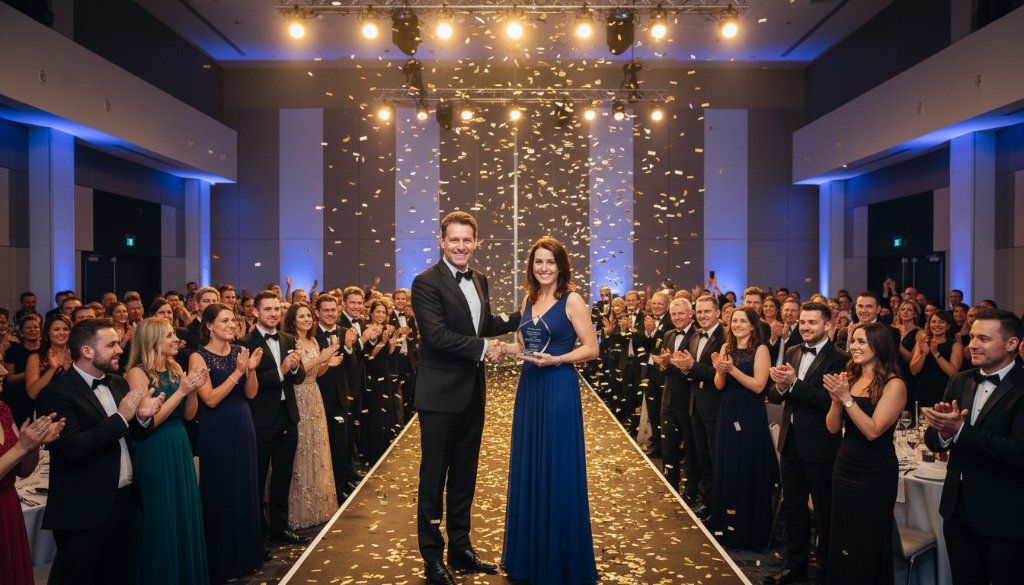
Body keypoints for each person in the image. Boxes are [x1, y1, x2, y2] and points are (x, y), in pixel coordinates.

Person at [412, 211, 520, 585]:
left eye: (467, 240)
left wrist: (526, 315)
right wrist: (486, 347)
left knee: (464, 477)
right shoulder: (424, 282)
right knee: (433, 479)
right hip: (439, 397)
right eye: (454, 240)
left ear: (476, 242)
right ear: (442, 242)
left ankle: (460, 547)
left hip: (472, 394)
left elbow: (483, 324)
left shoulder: (480, 279)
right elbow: (437, 336)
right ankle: (432, 558)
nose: (461, 246)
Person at [499, 236, 599, 585]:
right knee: (531, 463)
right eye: (538, 262)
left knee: (557, 465)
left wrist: (557, 359)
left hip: (558, 387)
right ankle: (529, 555)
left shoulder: (572, 301)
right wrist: (508, 349)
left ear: (561, 267)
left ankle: (559, 559)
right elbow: (527, 345)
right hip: (530, 386)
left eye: (550, 262)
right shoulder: (529, 299)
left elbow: (591, 348)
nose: (543, 268)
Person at [35, 317, 164, 585]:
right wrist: (121, 417)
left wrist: (142, 417)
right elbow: (72, 448)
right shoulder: (57, 393)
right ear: (87, 351)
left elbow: (136, 435)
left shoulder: (117, 383)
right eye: (112, 344)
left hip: (125, 504)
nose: (120, 349)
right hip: (84, 511)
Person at [923, 310, 1024, 585]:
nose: (972, 344)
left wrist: (959, 431)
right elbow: (935, 440)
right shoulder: (960, 379)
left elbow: (1018, 452)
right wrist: (943, 432)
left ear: (1011, 344)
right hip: (957, 510)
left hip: (1003, 515)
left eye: (983, 338)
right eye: (971, 337)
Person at [764, 302, 848, 585]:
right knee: (795, 511)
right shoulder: (791, 351)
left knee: (825, 514)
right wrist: (780, 385)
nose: (806, 327)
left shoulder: (840, 358)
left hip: (822, 445)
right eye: (802, 322)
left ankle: (825, 573)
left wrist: (794, 384)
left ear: (828, 325)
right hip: (791, 442)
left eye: (812, 322)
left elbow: (829, 400)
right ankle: (795, 567)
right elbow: (776, 396)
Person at [124, 318, 210, 585]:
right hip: (153, 448)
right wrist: (182, 390)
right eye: (170, 335)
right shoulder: (137, 373)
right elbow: (147, 424)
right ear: (153, 340)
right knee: (161, 514)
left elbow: (188, 415)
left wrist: (192, 391)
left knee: (183, 510)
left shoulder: (174, 367)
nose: (176, 339)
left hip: (178, 442)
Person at [823, 322, 906, 585]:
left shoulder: (894, 385)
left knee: (866, 537)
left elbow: (873, 431)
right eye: (853, 341)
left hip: (874, 472)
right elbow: (833, 427)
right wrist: (836, 402)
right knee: (842, 534)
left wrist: (846, 398)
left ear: (878, 346)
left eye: (861, 342)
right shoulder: (852, 377)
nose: (854, 347)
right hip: (845, 463)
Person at [190, 303, 264, 583]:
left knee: (244, 488)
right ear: (209, 325)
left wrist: (251, 370)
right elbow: (209, 399)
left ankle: (246, 557)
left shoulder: (239, 352)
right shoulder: (198, 358)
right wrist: (236, 373)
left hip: (242, 424)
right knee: (221, 491)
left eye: (234, 320)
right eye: (225, 321)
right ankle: (223, 563)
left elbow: (251, 394)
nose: (232, 325)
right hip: (217, 429)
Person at [239, 291, 310, 546]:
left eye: (276, 309)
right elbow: (249, 385)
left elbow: (299, 377)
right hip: (260, 417)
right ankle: (257, 534)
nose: (273, 314)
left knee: (283, 476)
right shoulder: (245, 342)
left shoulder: (288, 338)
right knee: (258, 478)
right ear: (255, 312)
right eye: (267, 309)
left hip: (287, 415)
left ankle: (280, 528)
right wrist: (281, 370)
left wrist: (294, 367)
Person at [709, 306, 772, 551]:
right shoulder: (726, 348)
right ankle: (726, 526)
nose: (737, 325)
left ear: (753, 325)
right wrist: (720, 370)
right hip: (728, 408)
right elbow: (718, 385)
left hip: (750, 410)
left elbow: (759, 386)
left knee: (747, 465)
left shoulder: (761, 349)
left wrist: (732, 369)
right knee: (729, 464)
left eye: (742, 321)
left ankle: (748, 532)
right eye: (734, 321)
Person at [281, 301, 340, 529]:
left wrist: (328, 362)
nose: (306, 319)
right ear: (293, 320)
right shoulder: (291, 341)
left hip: (314, 395)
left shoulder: (313, 340)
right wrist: (322, 356)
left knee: (318, 447)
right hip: (298, 395)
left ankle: (319, 507)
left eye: (308, 316)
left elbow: (317, 372)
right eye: (302, 316)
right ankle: (299, 512)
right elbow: (299, 372)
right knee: (302, 449)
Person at [0, 390, 63, 585]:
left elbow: (23, 471)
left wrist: (35, 444)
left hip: (9, 509)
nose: (3, 371)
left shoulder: (2, 410)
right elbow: (18, 450)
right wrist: (21, 447)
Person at [681, 295, 725, 520]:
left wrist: (693, 366)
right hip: (696, 404)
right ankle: (706, 501)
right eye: (699, 312)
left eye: (707, 311)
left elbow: (720, 374)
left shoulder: (726, 337)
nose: (702, 315)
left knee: (715, 457)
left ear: (717, 313)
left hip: (716, 405)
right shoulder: (696, 335)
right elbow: (695, 369)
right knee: (702, 458)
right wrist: (685, 367)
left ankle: (717, 504)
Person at [313, 293, 359, 501]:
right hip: (318, 397)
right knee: (322, 448)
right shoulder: (311, 335)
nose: (330, 314)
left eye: (333, 310)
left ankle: (339, 489)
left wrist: (349, 347)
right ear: (318, 312)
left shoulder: (344, 332)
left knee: (341, 446)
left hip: (341, 397)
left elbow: (353, 367)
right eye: (326, 310)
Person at [654, 298, 696, 497]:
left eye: (681, 313)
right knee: (668, 446)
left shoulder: (697, 335)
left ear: (690, 314)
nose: (677, 317)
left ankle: (689, 492)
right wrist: (662, 363)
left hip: (688, 400)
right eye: (674, 314)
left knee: (690, 449)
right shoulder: (669, 334)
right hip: (668, 398)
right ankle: (670, 486)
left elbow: (694, 368)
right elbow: (663, 366)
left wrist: (680, 364)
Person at [361, 299, 402, 463]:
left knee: (385, 409)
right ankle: (371, 452)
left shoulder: (387, 329)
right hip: (371, 374)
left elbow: (389, 353)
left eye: (383, 312)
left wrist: (392, 341)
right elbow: (369, 357)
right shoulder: (365, 330)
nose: (380, 315)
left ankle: (383, 447)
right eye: (377, 312)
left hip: (385, 371)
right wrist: (383, 342)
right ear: (371, 313)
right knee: (373, 412)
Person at [909, 310, 963, 409]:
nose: (936, 325)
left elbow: (953, 373)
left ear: (948, 326)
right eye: (933, 322)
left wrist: (936, 353)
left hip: (944, 393)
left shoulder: (955, 345)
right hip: (922, 391)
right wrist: (924, 354)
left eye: (941, 322)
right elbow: (913, 371)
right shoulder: (922, 343)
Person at [2, 313, 43, 424]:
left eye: (35, 327)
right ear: (21, 332)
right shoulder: (14, 351)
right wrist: (31, 372)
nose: (32, 330)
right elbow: (9, 379)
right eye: (28, 328)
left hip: (42, 398)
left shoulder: (46, 349)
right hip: (19, 399)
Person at [25, 314, 73, 400]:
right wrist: (52, 369)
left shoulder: (77, 356)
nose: (62, 333)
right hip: (47, 408)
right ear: (48, 332)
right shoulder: (35, 358)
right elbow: (32, 393)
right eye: (56, 329)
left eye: (66, 329)